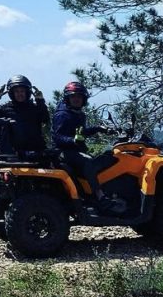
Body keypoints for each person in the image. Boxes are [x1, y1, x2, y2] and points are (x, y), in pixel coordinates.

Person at [52, 81, 122, 212]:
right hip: (63, 151)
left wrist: (99, 129)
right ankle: (99, 196)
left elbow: (81, 133)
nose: (77, 99)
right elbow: (57, 137)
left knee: (105, 157)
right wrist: (72, 140)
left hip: (74, 150)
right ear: (68, 98)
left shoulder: (77, 114)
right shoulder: (63, 115)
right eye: (74, 97)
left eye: (79, 97)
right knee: (89, 161)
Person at [0, 74, 49, 156]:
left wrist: (40, 101)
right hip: (13, 155)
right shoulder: (7, 108)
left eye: (22, 91)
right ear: (12, 93)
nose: (19, 94)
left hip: (36, 153)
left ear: (27, 92)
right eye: (16, 91)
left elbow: (45, 118)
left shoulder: (35, 108)